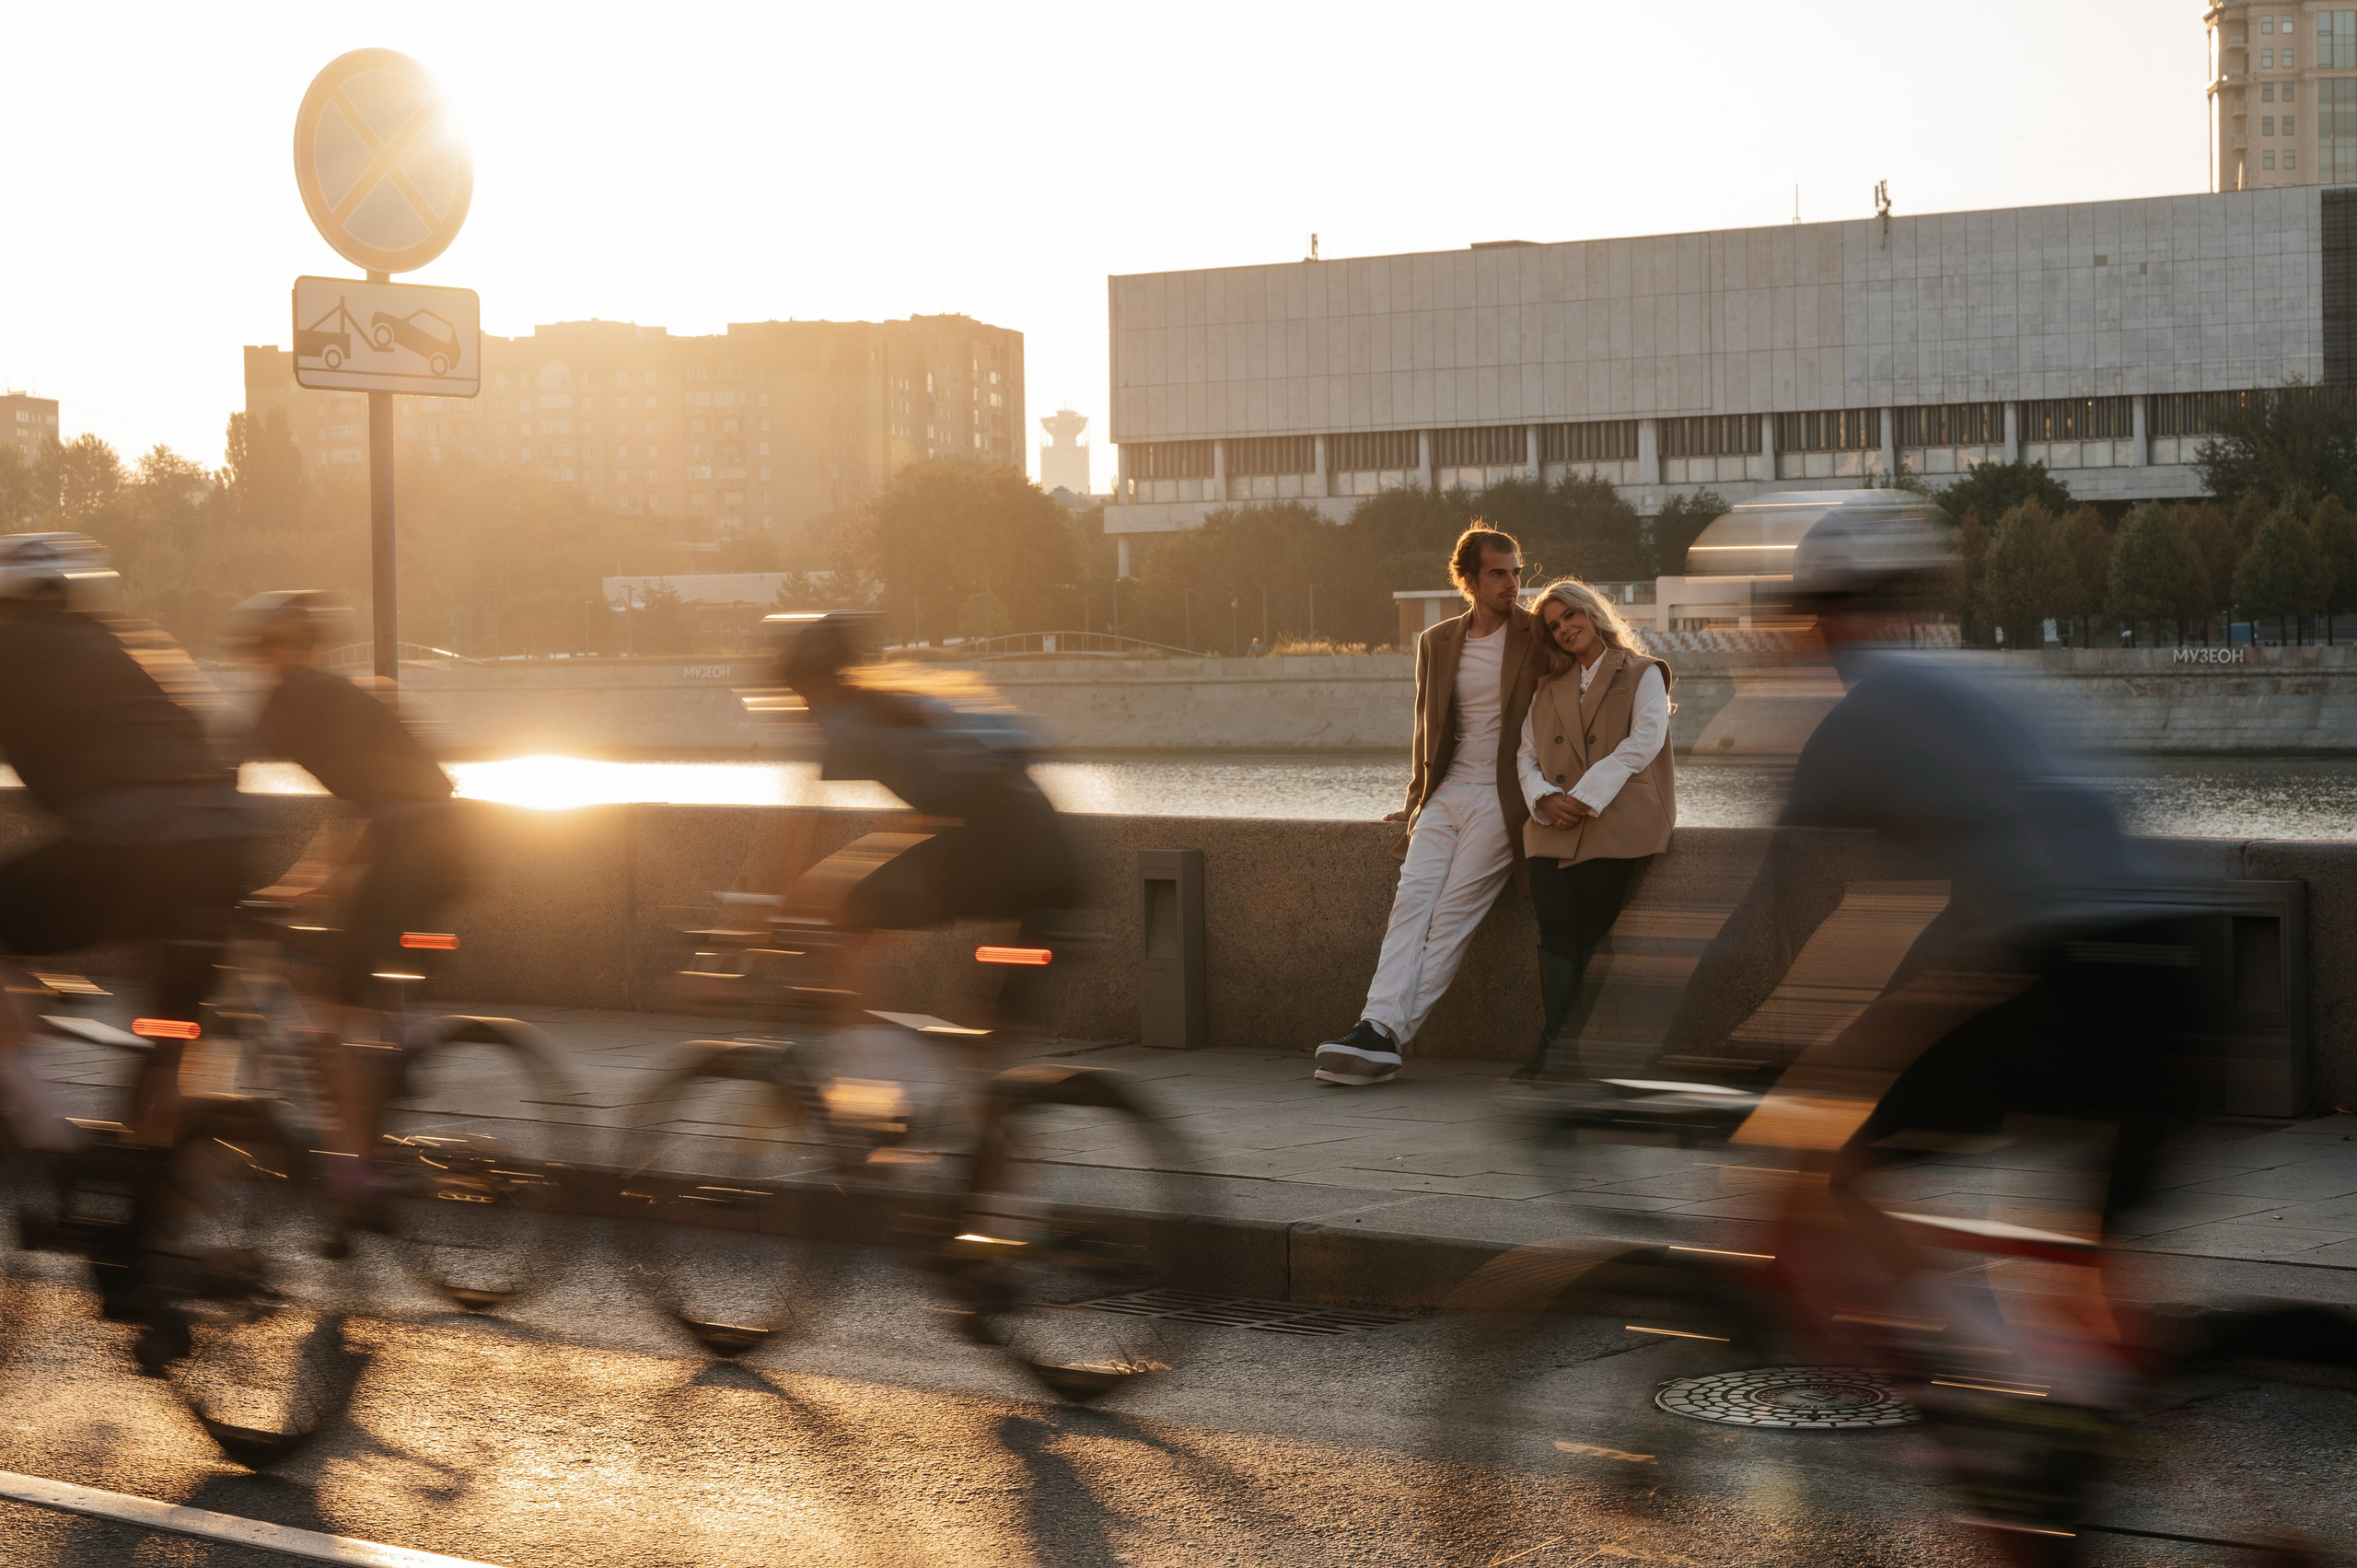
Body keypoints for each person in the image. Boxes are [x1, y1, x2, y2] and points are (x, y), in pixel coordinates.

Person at [0, 534, 255, 1151]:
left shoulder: (9, 647)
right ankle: (160, 1216)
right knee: (169, 1047)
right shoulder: (122, 643)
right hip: (225, 849)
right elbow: (213, 739)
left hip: (130, 849)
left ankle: (43, 1128)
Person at [225, 590, 468, 1202]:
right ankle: (406, 1045)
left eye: (265, 649)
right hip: (450, 843)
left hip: (409, 850)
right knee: (373, 993)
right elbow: (385, 804)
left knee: (326, 1020)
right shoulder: (346, 692)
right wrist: (311, 884)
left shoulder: (291, 699)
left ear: (269, 651)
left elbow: (217, 766)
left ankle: (357, 1169)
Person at [1312, 527, 1547, 1086]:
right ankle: (1379, 1032)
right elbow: (1428, 730)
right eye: (1498, 573)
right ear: (1468, 580)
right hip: (1446, 794)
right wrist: (1414, 800)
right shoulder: (1437, 641)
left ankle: (1380, 1036)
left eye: (1516, 572)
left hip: (1502, 796)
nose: (1512, 583)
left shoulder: (1538, 635)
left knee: (1451, 919)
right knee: (1411, 903)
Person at [1509, 577, 1674, 1083]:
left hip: (1614, 819)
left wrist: (1583, 795)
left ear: (1590, 612)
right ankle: (1561, 1047)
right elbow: (1526, 754)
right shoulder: (1547, 687)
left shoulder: (1644, 672)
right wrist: (1544, 798)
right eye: (1553, 626)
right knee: (1557, 931)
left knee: (1592, 935)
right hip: (1553, 821)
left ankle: (1555, 1048)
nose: (1563, 629)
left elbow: (1643, 742)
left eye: (1569, 617)